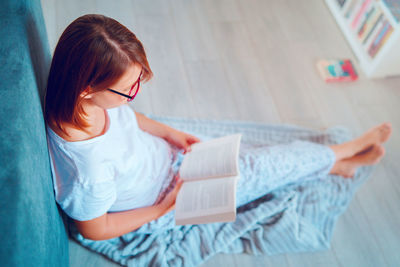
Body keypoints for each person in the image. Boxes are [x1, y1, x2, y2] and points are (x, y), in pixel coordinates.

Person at [44, 14, 392, 241]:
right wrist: (164, 207)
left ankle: (332, 165)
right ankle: (343, 153)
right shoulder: (87, 172)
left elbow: (129, 120)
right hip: (166, 197)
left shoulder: (85, 102)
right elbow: (94, 229)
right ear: (87, 88)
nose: (135, 94)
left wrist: (169, 133)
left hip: (170, 159)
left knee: (252, 159)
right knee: (262, 167)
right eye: (129, 89)